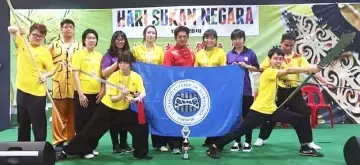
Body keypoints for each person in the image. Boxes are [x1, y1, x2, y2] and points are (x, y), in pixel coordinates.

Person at [206, 47, 324, 159]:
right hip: (259, 111)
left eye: (280, 59)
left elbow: (286, 73)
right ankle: (215, 147)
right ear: (269, 60)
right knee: (239, 132)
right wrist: (313, 68)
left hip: (271, 110)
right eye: (275, 58)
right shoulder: (269, 71)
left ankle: (305, 147)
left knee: (300, 119)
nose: (278, 61)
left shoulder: (276, 72)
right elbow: (289, 70)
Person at [56, 51, 152, 161]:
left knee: (141, 124)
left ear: (131, 63)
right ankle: (65, 151)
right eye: (120, 63)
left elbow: (142, 92)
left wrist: (136, 98)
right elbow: (113, 99)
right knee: (90, 131)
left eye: (125, 63)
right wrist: (122, 95)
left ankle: (140, 153)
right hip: (107, 110)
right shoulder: (113, 77)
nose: (122, 66)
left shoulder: (136, 77)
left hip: (123, 111)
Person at [253, 33, 334, 150]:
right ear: (281, 43)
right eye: (286, 45)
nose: (288, 48)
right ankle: (262, 138)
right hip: (277, 91)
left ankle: (308, 141)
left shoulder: (298, 57)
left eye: (291, 46)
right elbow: (262, 69)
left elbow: (312, 70)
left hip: (293, 91)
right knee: (270, 114)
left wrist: (325, 81)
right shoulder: (275, 56)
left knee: (304, 114)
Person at [8, 23, 56, 141]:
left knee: (38, 123)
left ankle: (41, 148)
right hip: (22, 91)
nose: (37, 37)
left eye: (41, 36)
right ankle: (23, 148)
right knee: (23, 122)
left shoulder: (44, 52)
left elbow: (52, 70)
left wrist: (45, 75)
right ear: (29, 35)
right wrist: (18, 30)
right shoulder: (22, 43)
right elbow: (11, 29)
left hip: (37, 93)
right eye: (35, 35)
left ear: (43, 37)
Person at [132, 25, 168, 152]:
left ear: (155, 35)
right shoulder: (136, 50)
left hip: (156, 87)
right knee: (140, 114)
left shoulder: (159, 50)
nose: (151, 35)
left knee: (156, 114)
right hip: (140, 86)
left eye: (153, 33)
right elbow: (132, 67)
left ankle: (159, 144)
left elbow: (163, 69)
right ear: (144, 34)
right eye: (149, 32)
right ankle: (140, 144)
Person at [71, 29, 105, 158]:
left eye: (94, 38)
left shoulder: (99, 56)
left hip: (96, 95)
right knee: (82, 123)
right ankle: (83, 150)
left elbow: (102, 76)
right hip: (83, 94)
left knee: (94, 123)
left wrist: (103, 90)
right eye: (89, 38)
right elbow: (75, 76)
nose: (92, 40)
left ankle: (91, 147)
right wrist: (80, 94)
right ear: (84, 40)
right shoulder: (78, 55)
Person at [49, 19, 82, 148]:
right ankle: (58, 142)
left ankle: (71, 141)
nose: (68, 29)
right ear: (61, 29)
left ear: (74, 29)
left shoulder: (80, 46)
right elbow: (44, 61)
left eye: (70, 27)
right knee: (58, 115)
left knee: (73, 115)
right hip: (58, 85)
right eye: (65, 27)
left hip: (75, 87)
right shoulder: (54, 45)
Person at [225, 29, 259, 152]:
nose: (237, 41)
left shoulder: (250, 53)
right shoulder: (229, 54)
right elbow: (225, 71)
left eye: (239, 38)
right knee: (236, 118)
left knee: (247, 117)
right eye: (234, 39)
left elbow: (257, 69)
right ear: (232, 41)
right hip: (234, 92)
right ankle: (237, 141)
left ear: (244, 39)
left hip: (247, 91)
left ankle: (247, 141)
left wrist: (246, 66)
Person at [163, 26, 195, 154]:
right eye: (180, 36)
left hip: (188, 90)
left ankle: (184, 141)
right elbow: (166, 72)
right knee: (174, 117)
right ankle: (174, 144)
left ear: (187, 38)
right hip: (174, 89)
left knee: (186, 116)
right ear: (176, 38)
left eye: (185, 36)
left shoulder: (191, 52)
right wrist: (175, 87)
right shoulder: (170, 53)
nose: (182, 38)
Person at [101, 30, 133, 154]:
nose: (120, 41)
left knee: (124, 118)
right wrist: (118, 63)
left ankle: (124, 143)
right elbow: (104, 73)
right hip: (113, 90)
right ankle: (116, 145)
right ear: (114, 41)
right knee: (114, 120)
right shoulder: (108, 55)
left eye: (122, 39)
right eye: (118, 39)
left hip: (126, 88)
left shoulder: (129, 54)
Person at [194, 29, 227, 147]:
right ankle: (208, 138)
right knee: (206, 113)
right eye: (207, 38)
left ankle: (216, 139)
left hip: (217, 88)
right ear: (203, 40)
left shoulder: (221, 52)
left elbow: (223, 70)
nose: (210, 40)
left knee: (216, 113)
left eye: (212, 38)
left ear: (216, 40)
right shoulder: (199, 53)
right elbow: (195, 70)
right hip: (203, 88)